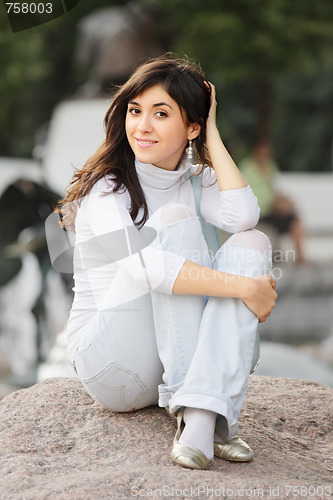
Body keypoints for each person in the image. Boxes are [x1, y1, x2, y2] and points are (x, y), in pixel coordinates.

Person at [57, 54, 277, 470]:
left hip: (173, 357)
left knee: (253, 243)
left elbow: (244, 216)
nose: (142, 125)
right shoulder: (107, 191)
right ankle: (205, 409)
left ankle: (199, 419)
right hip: (113, 365)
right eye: (135, 111)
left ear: (191, 127)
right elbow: (148, 270)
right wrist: (246, 288)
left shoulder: (198, 181)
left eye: (161, 114)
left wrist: (211, 134)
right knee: (174, 222)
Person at [239, 139, 307, 263]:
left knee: (295, 221)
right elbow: (246, 197)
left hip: (271, 212)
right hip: (258, 215)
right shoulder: (247, 169)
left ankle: (301, 257)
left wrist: (283, 201)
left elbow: (273, 189)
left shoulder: (270, 166)